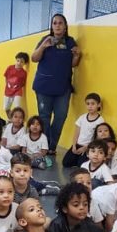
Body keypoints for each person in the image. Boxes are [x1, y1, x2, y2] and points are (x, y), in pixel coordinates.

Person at [31, 13, 81, 154]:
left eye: (60, 23)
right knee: (44, 117)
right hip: (44, 86)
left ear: (65, 27)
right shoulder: (45, 39)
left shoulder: (70, 42)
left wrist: (77, 55)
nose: (57, 25)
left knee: (60, 116)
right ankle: (47, 148)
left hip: (63, 87)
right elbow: (34, 58)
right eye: (55, 23)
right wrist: (43, 47)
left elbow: (73, 64)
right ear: (52, 26)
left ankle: (50, 145)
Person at [3, 52, 29, 117]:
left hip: (18, 91)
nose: (19, 63)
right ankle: (10, 119)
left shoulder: (24, 73)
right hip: (8, 91)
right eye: (18, 61)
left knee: (17, 107)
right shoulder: (10, 68)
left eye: (22, 62)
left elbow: (22, 84)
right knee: (6, 108)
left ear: (24, 63)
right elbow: (6, 77)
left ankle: (17, 121)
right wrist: (8, 86)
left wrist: (16, 88)